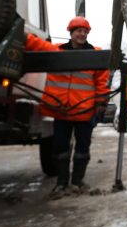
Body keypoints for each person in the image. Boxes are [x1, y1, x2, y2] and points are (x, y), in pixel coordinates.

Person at [26, 16, 111, 194]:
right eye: (78, 31)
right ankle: (62, 183)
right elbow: (35, 44)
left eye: (85, 31)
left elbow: (102, 81)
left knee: (82, 148)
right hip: (61, 111)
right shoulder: (56, 50)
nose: (82, 34)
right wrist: (21, 33)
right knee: (60, 149)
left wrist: (101, 101)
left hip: (84, 110)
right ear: (71, 34)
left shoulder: (95, 54)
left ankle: (78, 181)